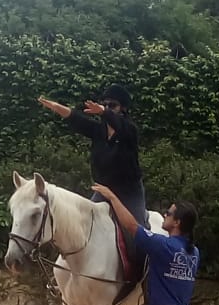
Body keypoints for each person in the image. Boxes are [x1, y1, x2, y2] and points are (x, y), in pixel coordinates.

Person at [37, 84, 150, 229]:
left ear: (123, 108)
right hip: (103, 190)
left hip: (129, 192)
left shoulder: (130, 130)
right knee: (85, 226)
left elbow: (118, 124)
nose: (108, 108)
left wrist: (103, 111)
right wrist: (56, 107)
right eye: (105, 104)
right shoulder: (98, 131)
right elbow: (76, 118)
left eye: (112, 105)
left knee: (139, 233)